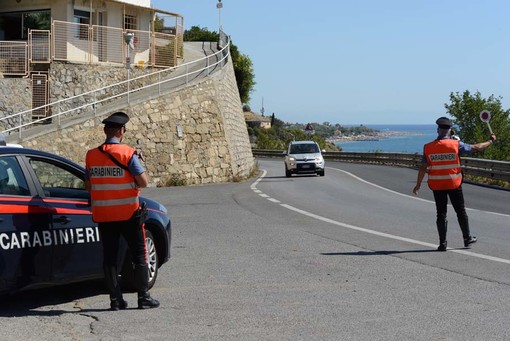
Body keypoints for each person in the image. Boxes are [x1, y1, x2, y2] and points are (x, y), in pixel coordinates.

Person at [85, 111, 159, 310]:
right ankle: (143, 297)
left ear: (105, 131)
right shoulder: (128, 153)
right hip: (128, 214)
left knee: (109, 257)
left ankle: (115, 300)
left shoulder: (91, 155)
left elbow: (89, 186)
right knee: (139, 254)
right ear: (121, 131)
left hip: (104, 215)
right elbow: (143, 181)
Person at [413, 116, 496, 251]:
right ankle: (467, 237)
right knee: (460, 211)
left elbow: (423, 168)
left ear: (437, 130)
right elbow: (476, 147)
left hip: (437, 185)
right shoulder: (456, 144)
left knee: (440, 213)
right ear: (449, 130)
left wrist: (418, 185)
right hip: (453, 184)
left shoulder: (428, 147)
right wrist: (491, 141)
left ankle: (442, 243)